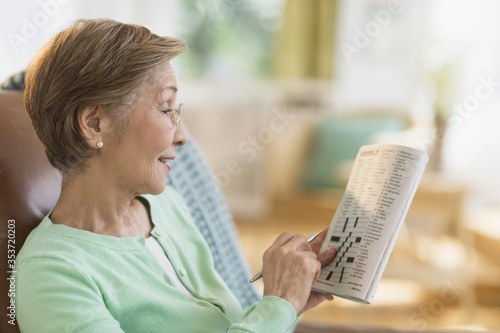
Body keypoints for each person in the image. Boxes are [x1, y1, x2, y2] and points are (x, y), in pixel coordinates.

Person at [15, 18, 337, 333]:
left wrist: (290, 300)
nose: (182, 135)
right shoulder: (51, 273)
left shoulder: (168, 207)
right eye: (166, 108)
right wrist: (278, 305)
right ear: (95, 124)